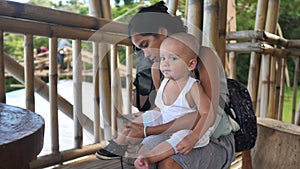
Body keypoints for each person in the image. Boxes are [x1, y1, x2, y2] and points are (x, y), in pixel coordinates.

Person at [96, 1, 236, 169]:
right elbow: (165, 110)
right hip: (176, 133)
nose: (146, 54)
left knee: (168, 162)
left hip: (212, 137)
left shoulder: (203, 56)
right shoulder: (158, 68)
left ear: (162, 33)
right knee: (141, 153)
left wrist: (148, 131)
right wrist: (143, 121)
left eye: (145, 45)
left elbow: (206, 115)